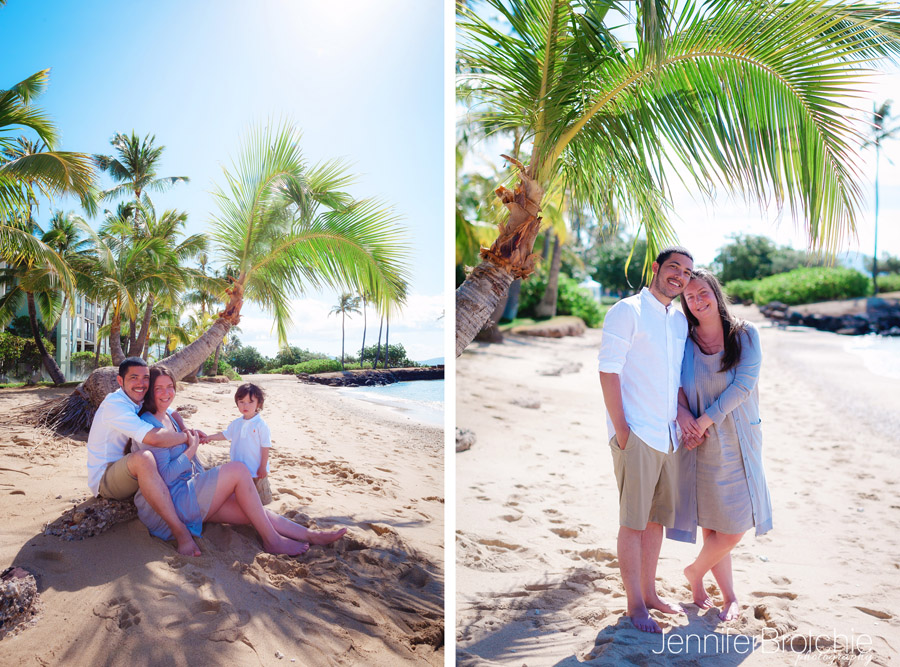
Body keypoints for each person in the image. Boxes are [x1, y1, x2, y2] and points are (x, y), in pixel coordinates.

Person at [133, 366, 347, 555]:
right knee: (238, 469)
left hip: (190, 491)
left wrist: (187, 431)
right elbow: (165, 476)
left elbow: (181, 431)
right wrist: (191, 449)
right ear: (150, 391)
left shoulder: (168, 416)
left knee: (251, 510)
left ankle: (311, 535)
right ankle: (272, 541)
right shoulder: (149, 424)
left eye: (169, 386)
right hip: (174, 501)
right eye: (158, 388)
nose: (165, 393)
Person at [597, 246, 694, 633]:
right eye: (674, 268)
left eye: (687, 272)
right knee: (634, 523)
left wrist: (682, 415)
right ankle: (635, 605)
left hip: (668, 435)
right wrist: (623, 431)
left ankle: (650, 593)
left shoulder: (679, 321)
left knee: (655, 522)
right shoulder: (627, 311)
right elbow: (608, 371)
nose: (680, 276)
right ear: (655, 268)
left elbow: (675, 379)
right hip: (636, 433)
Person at [670, 268, 773, 621]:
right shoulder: (684, 338)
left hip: (737, 438)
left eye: (703, 293)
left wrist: (701, 421)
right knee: (713, 526)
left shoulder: (745, 334)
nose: (697, 301)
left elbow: (743, 385)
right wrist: (685, 417)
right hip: (699, 443)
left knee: (735, 525)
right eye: (690, 297)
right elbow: (674, 386)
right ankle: (729, 596)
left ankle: (694, 572)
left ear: (716, 292)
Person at [86, 357, 204, 557]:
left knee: (154, 457)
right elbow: (153, 438)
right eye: (134, 377)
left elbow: (171, 410)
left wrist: (184, 427)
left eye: (145, 378)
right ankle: (180, 532)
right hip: (106, 479)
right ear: (120, 381)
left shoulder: (136, 398)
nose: (141, 383)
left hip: (127, 472)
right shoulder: (115, 405)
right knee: (145, 458)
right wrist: (187, 439)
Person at [202, 383, 272, 504]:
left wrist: (262, 467)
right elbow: (225, 434)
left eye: (250, 402)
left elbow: (265, 447)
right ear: (237, 402)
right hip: (240, 470)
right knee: (244, 497)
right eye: (241, 401)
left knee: (262, 499)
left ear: (258, 403)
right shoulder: (236, 423)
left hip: (256, 470)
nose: (246, 405)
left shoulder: (261, 424)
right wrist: (209, 437)